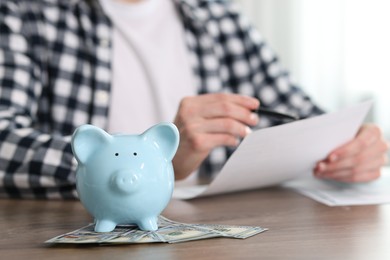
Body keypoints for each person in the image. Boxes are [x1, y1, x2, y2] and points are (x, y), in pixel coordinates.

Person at [0, 0, 388, 199]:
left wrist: (355, 143)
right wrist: (162, 159)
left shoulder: (217, 16)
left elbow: (299, 117)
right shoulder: (25, 12)